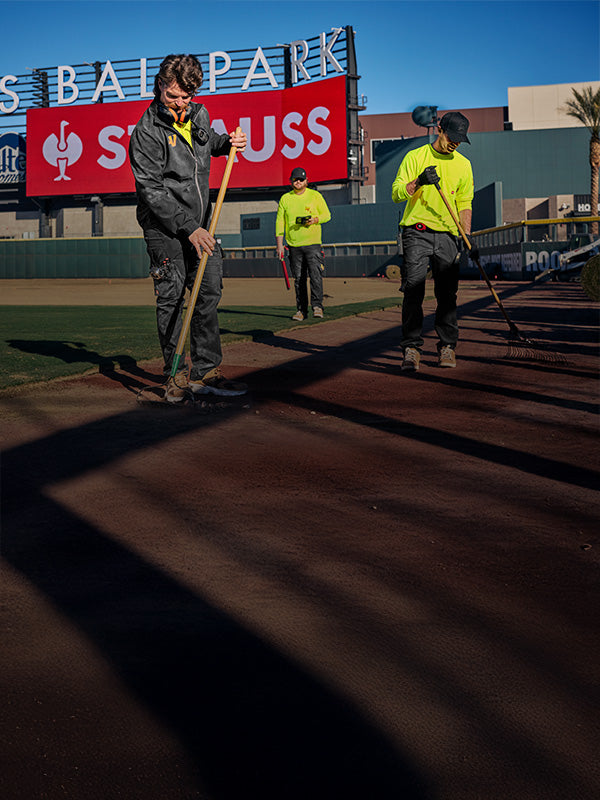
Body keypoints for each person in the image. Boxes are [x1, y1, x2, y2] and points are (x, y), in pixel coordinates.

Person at [129, 53, 248, 402]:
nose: (180, 103)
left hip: (201, 224)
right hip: (163, 228)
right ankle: (176, 375)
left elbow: (206, 142)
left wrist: (227, 143)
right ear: (159, 87)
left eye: (186, 97)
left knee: (208, 292)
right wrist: (188, 228)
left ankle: (206, 372)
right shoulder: (146, 133)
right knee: (172, 297)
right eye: (173, 96)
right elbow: (151, 190)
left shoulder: (199, 114)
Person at [392, 111, 477, 370]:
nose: (455, 143)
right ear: (439, 129)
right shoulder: (415, 157)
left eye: (460, 139)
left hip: (449, 235)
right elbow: (396, 193)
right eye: (452, 137)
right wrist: (418, 182)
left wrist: (467, 235)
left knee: (447, 294)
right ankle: (411, 348)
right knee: (413, 290)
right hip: (416, 231)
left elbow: (464, 203)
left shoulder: (463, 165)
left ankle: (447, 347)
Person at [276, 167, 331, 320]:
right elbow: (280, 222)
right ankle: (301, 310)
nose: (298, 182)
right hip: (294, 245)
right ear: (291, 181)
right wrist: (280, 244)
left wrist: (315, 220)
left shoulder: (315, 196)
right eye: (295, 179)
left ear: (307, 181)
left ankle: (317, 306)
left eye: (301, 179)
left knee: (315, 275)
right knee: (298, 279)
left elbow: (327, 215)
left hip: (313, 243)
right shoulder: (285, 198)